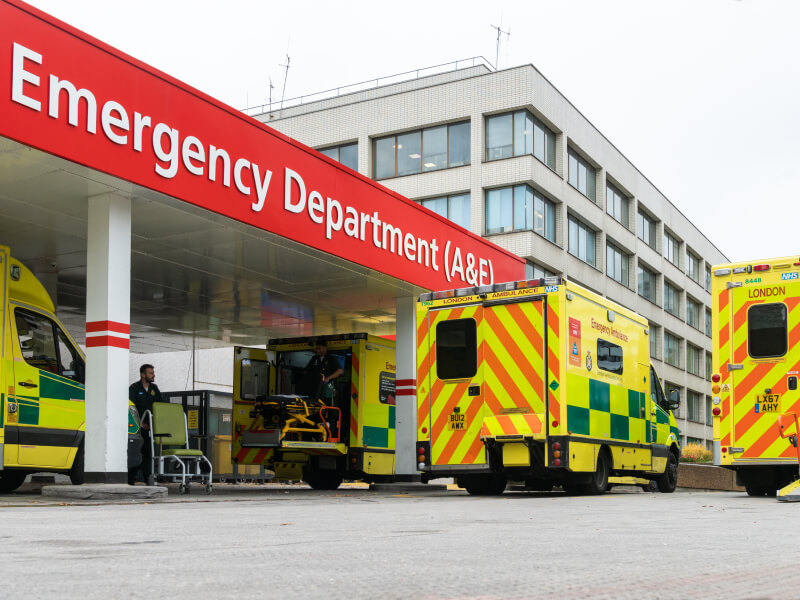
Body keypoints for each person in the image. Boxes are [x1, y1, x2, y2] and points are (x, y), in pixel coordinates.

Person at [128, 364, 163, 485]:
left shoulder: (154, 388)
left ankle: (148, 478)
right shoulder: (134, 388)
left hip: (152, 427)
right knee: (137, 452)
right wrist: (141, 423)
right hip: (138, 428)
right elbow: (131, 407)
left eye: (153, 372)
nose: (153, 375)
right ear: (143, 374)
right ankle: (130, 479)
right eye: (150, 373)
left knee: (148, 452)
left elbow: (160, 405)